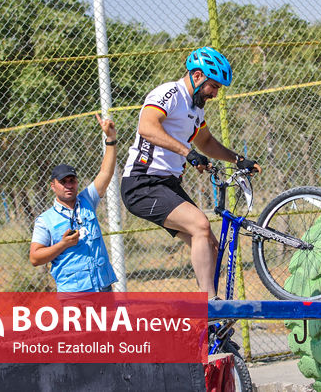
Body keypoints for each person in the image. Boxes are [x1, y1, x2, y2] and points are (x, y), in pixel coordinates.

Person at [120, 46, 261, 299]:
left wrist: (238, 160)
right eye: (214, 86)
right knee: (200, 224)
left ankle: (209, 327)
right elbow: (146, 126)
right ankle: (209, 305)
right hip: (141, 183)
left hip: (167, 184)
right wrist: (187, 153)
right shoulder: (169, 93)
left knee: (211, 246)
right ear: (197, 76)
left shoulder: (196, 110)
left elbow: (206, 143)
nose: (215, 94)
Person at [29, 113, 119, 292]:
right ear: (53, 186)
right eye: (63, 182)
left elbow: (105, 173)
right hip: (75, 295)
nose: (69, 185)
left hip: (102, 288)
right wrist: (63, 244)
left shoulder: (87, 201)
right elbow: (35, 258)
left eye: (72, 181)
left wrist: (110, 138)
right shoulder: (46, 220)